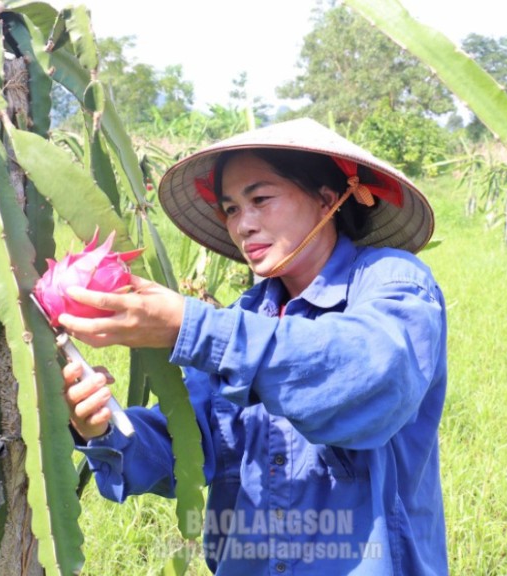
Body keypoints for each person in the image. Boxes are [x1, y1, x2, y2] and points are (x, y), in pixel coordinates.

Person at [58, 118, 448, 575]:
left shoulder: (392, 282)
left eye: (260, 199)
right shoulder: (243, 316)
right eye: (230, 209)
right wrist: (101, 427)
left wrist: (191, 326)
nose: (243, 225)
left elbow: (369, 374)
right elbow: (189, 443)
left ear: (327, 198)